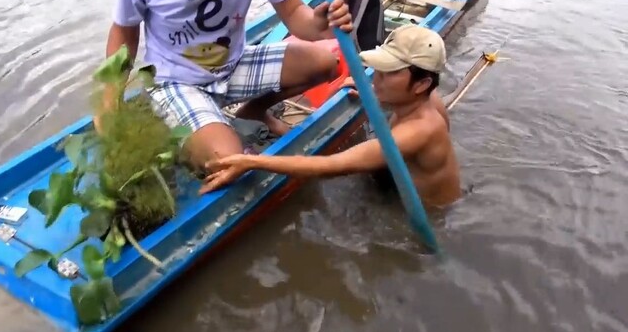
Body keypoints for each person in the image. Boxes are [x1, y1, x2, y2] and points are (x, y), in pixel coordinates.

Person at [98, 0, 354, 170]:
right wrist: (111, 95)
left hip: (233, 66)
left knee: (325, 63)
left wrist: (320, 24)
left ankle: (253, 112)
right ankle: (187, 135)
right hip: (175, 81)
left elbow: (295, 14)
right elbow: (124, 34)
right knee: (228, 162)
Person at [198, 24, 462, 208]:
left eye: (389, 73)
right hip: (403, 183)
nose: (377, 79)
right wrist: (373, 92)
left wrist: (252, 162)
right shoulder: (429, 100)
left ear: (421, 84)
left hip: (424, 212)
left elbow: (333, 166)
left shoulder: (417, 131)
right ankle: (274, 124)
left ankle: (272, 131)